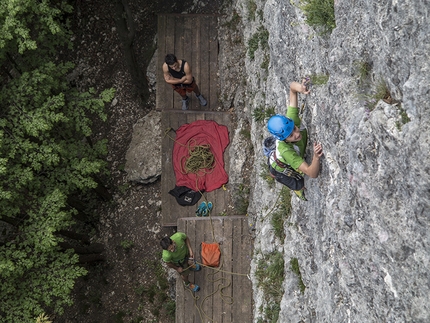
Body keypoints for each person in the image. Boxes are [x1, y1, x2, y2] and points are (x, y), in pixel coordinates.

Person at [266, 80, 323, 201]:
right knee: (299, 184)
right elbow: (312, 173)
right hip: (279, 169)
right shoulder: (287, 151)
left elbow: (292, 88)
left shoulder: (291, 121)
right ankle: (298, 191)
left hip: (279, 157)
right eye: (291, 135)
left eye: (295, 129)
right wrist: (316, 158)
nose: (297, 134)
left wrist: (301, 88)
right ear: (284, 139)